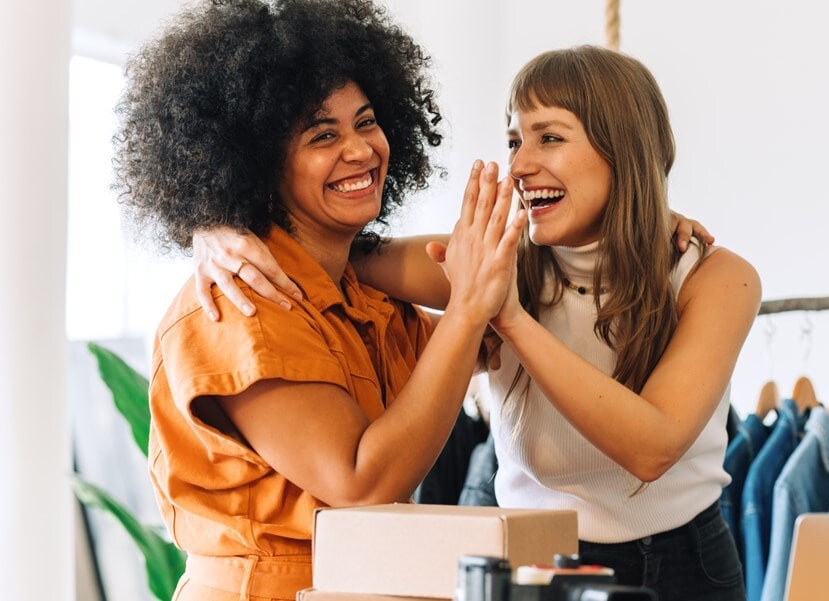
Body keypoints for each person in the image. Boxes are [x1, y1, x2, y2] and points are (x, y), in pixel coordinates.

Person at [199, 45, 760, 601]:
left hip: (687, 565)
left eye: (550, 137)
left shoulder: (715, 278)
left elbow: (652, 448)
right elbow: (329, 248)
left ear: (626, 150)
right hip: (532, 560)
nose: (518, 165)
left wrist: (509, 317)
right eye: (515, 141)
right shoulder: (494, 258)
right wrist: (216, 226)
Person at [112, 1, 524, 599]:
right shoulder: (238, 303)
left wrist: (650, 231)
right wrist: (465, 314)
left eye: (366, 121)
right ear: (256, 164)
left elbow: (502, 306)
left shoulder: (359, 294)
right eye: (322, 134)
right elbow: (360, 481)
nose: (359, 151)